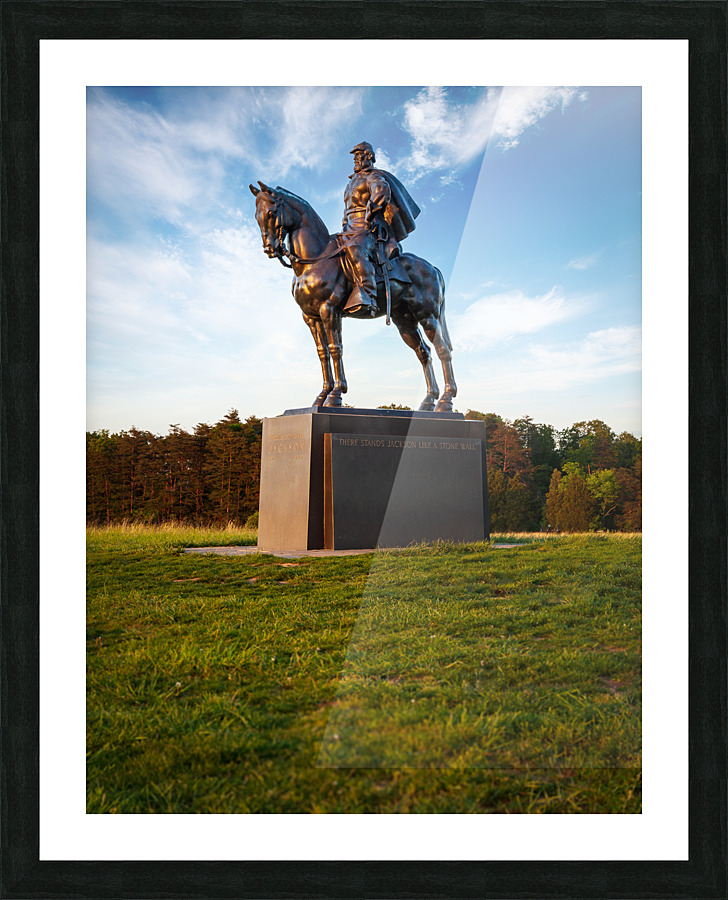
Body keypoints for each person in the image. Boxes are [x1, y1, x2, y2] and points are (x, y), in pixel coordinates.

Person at [339, 141, 420, 317]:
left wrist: (371, 210)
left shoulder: (372, 176)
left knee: (355, 248)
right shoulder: (351, 183)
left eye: (359, 156)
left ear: (369, 156)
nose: (356, 160)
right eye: (355, 157)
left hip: (367, 229)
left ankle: (368, 294)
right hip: (349, 229)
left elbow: (381, 191)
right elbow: (347, 209)